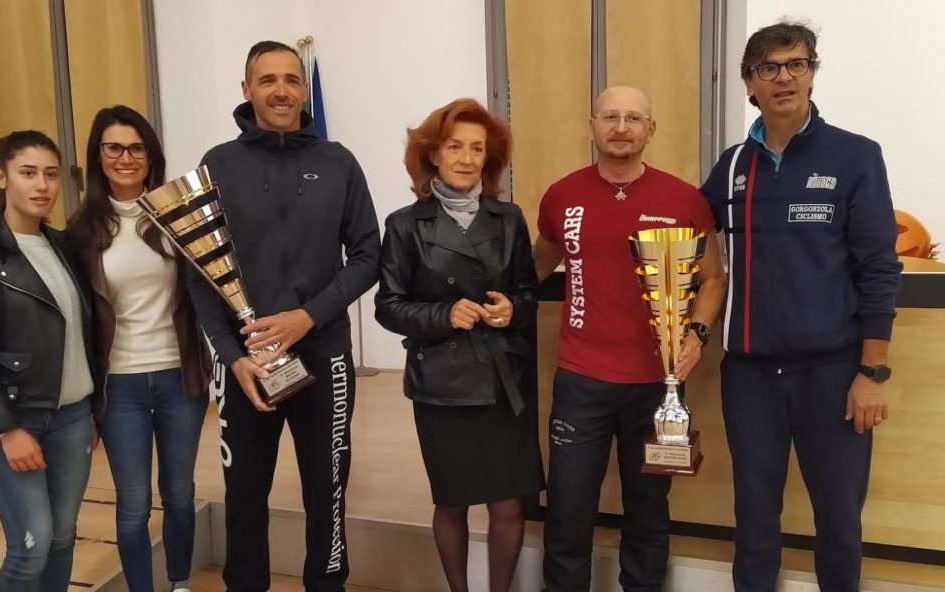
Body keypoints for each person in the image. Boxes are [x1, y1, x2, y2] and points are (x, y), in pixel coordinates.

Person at [700, 22, 902, 592]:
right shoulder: (733, 165)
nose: (783, 78)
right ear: (749, 83)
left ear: (813, 73)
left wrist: (871, 373)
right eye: (768, 68)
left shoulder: (856, 156)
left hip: (832, 374)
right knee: (753, 522)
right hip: (749, 377)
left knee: (838, 522)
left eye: (796, 64)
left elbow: (879, 269)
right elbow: (685, 225)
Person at [186, 40, 380, 592]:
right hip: (246, 362)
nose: (281, 90)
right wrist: (231, 356)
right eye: (267, 79)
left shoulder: (338, 162)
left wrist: (307, 317)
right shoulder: (218, 164)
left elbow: (368, 254)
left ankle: (327, 584)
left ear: (303, 91)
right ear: (246, 89)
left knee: (327, 487)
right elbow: (199, 270)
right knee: (244, 491)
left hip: (324, 353)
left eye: (292, 79)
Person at [534, 86, 726, 591]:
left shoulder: (684, 200)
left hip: (657, 386)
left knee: (647, 512)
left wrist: (698, 334)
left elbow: (713, 278)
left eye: (634, 118)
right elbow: (535, 268)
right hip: (581, 382)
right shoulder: (561, 196)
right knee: (568, 513)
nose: (621, 127)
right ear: (591, 126)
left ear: (651, 129)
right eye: (610, 117)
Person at [375, 98, 543, 592]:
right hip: (442, 385)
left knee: (508, 504)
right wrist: (443, 315)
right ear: (433, 154)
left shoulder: (509, 218)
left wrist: (514, 308)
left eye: (477, 148)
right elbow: (388, 306)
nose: (467, 159)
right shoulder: (405, 224)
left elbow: (528, 293)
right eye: (454, 147)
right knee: (451, 501)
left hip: (503, 383)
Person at [0, 130, 98, 591]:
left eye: (51, 174)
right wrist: (7, 429)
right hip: (17, 418)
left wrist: (92, 410)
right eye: (28, 173)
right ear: (1, 177)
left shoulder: (66, 246)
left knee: (63, 537)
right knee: (31, 544)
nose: (42, 185)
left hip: (74, 418)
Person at [68, 105, 210, 592]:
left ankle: (179, 583)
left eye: (136, 148)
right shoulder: (80, 232)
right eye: (114, 147)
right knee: (132, 503)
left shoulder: (178, 216)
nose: (125, 158)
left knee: (179, 492)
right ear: (98, 155)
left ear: (151, 157)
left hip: (179, 377)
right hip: (119, 385)